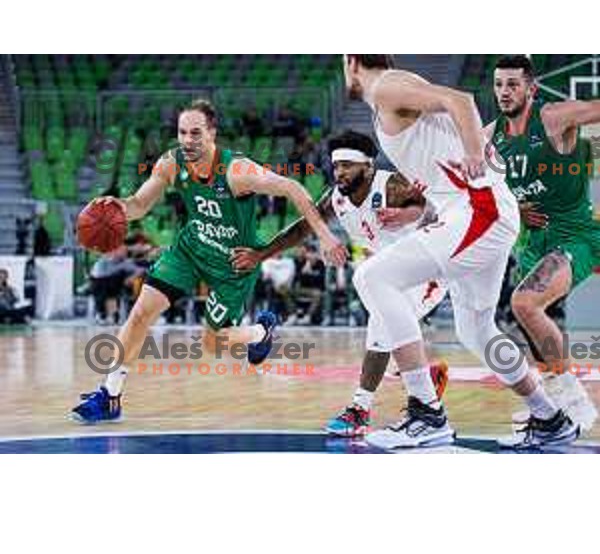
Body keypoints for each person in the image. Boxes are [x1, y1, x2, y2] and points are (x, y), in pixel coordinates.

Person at [342, 54, 577, 449]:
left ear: (350, 61)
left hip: (479, 211)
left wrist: (474, 155)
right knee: (476, 329)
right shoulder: (398, 91)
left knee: (372, 276)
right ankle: (549, 416)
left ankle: (426, 412)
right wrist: (419, 211)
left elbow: (461, 100)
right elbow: (445, 162)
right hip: (477, 213)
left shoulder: (385, 86)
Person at [71, 99, 346, 423]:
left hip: (234, 262)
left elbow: (293, 187)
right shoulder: (171, 163)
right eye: (182, 132)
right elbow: (140, 205)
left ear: (212, 134)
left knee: (214, 342)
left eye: (196, 133)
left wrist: (325, 235)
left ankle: (261, 331)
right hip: (191, 249)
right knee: (141, 312)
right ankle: (110, 394)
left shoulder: (236, 170)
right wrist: (117, 206)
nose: (188, 140)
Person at [232, 130, 448, 437]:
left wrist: (405, 213)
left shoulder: (391, 185)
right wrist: (261, 254)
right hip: (385, 273)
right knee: (387, 337)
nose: (340, 172)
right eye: (336, 166)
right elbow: (302, 229)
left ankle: (360, 410)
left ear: (368, 167)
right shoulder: (336, 197)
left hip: (425, 273)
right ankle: (425, 379)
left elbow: (431, 209)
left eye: (348, 165)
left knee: (380, 328)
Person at [489, 55, 600, 432]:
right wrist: (513, 208)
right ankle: (553, 404)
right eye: (499, 84)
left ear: (531, 89)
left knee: (524, 302)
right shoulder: (491, 137)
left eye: (513, 84)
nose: (504, 92)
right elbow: (480, 190)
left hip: (575, 234)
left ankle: (575, 402)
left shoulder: (552, 117)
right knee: (530, 319)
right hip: (533, 243)